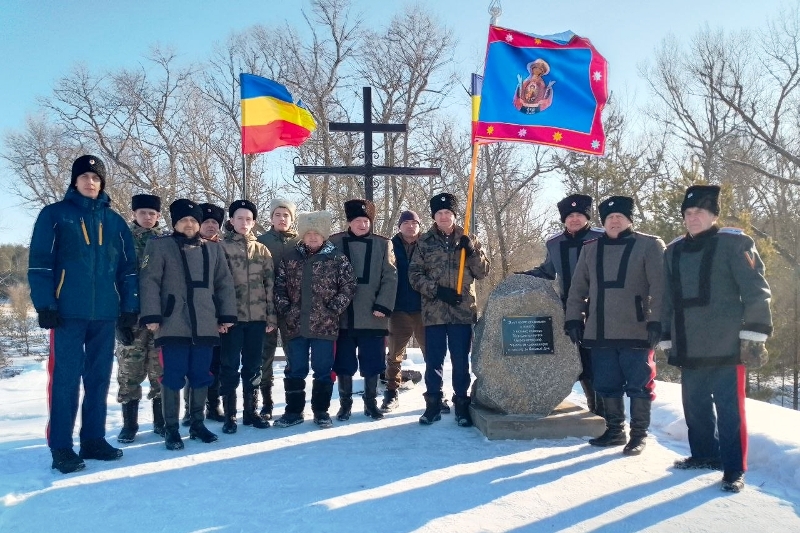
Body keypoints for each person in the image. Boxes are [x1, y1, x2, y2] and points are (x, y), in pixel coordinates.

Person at [28, 154, 139, 474]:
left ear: (102, 183)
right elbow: (39, 263)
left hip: (104, 313)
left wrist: (129, 308)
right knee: (64, 380)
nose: (91, 182)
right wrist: (45, 304)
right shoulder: (55, 215)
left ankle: (92, 439)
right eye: (85, 177)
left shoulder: (115, 222)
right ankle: (61, 446)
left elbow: (128, 271)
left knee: (98, 379)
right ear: (74, 181)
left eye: (96, 178)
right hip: (67, 313)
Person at [661, 185, 772, 493]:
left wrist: (755, 335)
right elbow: (668, 298)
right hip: (688, 342)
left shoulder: (734, 244)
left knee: (729, 411)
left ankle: (734, 468)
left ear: (713, 215)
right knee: (694, 406)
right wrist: (666, 335)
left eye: (699, 212)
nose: (693, 217)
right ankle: (704, 455)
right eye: (688, 213)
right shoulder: (673, 251)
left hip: (727, 345)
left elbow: (755, 290)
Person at [565, 196, 665, 456]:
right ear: (603, 221)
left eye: (620, 216)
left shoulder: (649, 245)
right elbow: (578, 288)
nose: (614, 221)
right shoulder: (591, 248)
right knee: (607, 383)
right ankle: (615, 430)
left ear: (629, 219)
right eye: (609, 218)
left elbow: (661, 287)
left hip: (637, 329)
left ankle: (639, 435)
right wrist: (574, 318)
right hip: (600, 330)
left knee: (639, 385)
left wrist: (657, 320)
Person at [138, 199, 238, 450]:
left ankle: (197, 424)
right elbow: (149, 282)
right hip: (173, 322)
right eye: (184, 220)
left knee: (200, 375)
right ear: (175, 223)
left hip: (205, 321)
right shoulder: (159, 246)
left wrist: (226, 315)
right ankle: (171, 428)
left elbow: (224, 283)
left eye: (194, 220)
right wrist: (151, 315)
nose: (190, 225)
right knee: (173, 375)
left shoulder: (213, 249)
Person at [519, 194, 605, 416]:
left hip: (600, 307)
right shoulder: (554, 242)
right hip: (569, 308)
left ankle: (605, 409)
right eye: (570, 215)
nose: (574, 219)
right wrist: (523, 277)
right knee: (581, 359)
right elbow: (548, 270)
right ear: (564, 219)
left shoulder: (602, 238)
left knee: (599, 360)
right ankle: (593, 404)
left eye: (579, 215)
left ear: (587, 217)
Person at [409, 193, 490, 427]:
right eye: (439, 213)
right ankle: (433, 403)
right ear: (434, 216)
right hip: (434, 311)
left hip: (461, 311)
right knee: (434, 360)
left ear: (454, 216)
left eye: (448, 213)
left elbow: (483, 272)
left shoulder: (469, 238)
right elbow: (414, 275)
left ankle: (462, 403)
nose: (444, 217)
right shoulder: (424, 241)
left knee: (460, 359)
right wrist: (437, 290)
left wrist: (472, 251)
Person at [273, 211, 356, 428]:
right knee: (295, 368)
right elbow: (279, 285)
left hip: (325, 325)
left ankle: (321, 411)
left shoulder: (337, 258)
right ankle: (293, 411)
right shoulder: (290, 257)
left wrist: (333, 308)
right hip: (295, 324)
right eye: (308, 233)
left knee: (322, 369)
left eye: (316, 234)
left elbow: (348, 286)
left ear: (323, 236)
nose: (312, 237)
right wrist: (286, 308)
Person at [330, 199, 398, 421]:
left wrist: (383, 305)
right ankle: (345, 405)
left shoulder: (383, 244)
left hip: (373, 314)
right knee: (344, 363)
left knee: (372, 362)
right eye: (357, 220)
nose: (362, 224)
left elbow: (390, 276)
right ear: (349, 222)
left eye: (366, 221)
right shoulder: (334, 242)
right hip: (343, 316)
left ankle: (371, 404)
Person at [217, 200, 276, 433]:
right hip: (232, 318)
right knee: (229, 365)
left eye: (248, 219)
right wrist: (220, 317)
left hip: (257, 318)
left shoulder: (262, 250)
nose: (244, 223)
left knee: (253, 366)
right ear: (231, 221)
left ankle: (250, 412)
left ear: (254, 222)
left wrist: (271, 317)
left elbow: (270, 285)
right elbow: (217, 285)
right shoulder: (221, 248)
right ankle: (230, 415)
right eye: (239, 218)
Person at [116, 194, 165, 443]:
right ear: (134, 214)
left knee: (160, 371)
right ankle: (129, 424)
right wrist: (118, 319)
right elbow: (112, 279)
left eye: (152, 213)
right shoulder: (122, 240)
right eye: (143, 212)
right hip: (130, 316)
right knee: (130, 371)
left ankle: (160, 421)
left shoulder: (164, 242)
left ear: (158, 216)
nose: (148, 217)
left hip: (159, 317)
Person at [256, 198, 299, 420]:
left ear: (292, 218)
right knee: (266, 356)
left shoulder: (300, 243)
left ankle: (293, 401)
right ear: (271, 217)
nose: (282, 219)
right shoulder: (261, 242)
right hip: (266, 308)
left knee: (294, 355)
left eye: (286, 215)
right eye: (277, 215)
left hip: (293, 308)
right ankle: (266, 402)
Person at [382, 210, 427, 412]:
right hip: (398, 309)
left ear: (419, 225)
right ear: (400, 226)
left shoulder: (427, 245)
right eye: (406, 222)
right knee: (394, 355)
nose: (410, 226)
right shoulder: (390, 246)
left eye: (414, 223)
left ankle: (436, 394)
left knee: (432, 355)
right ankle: (391, 392)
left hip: (424, 309)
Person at [196, 202, 227, 422]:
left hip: (220, 315)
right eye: (206, 221)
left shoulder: (224, 247)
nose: (210, 226)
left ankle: (213, 405)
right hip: (194, 316)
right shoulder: (187, 247)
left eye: (214, 222)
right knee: (196, 363)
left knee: (216, 363)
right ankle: (192, 408)